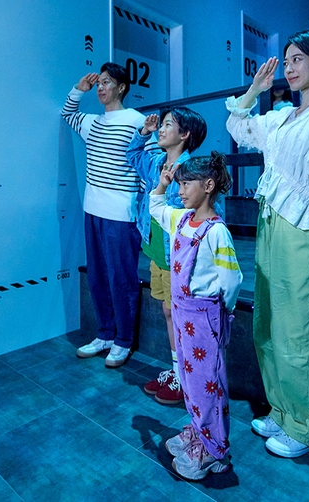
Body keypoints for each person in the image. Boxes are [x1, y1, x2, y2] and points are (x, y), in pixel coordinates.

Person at [225, 30, 309, 459]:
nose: (289, 67)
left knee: (302, 325)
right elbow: (238, 127)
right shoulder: (283, 116)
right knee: (270, 321)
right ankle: (283, 410)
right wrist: (255, 90)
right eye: (286, 60)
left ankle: (307, 426)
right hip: (271, 222)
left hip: (302, 228)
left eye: (298, 58)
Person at [150, 153, 242, 480]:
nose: (181, 190)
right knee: (190, 380)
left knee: (208, 384)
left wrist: (222, 314)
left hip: (205, 318)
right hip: (182, 314)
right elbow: (156, 207)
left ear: (208, 185)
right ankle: (198, 429)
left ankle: (214, 449)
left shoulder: (217, 232)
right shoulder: (181, 219)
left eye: (186, 184)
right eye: (179, 184)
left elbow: (231, 280)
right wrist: (161, 185)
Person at [62, 63, 156, 368]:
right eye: (99, 83)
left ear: (122, 87)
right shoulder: (93, 123)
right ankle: (104, 333)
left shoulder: (136, 121)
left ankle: (123, 340)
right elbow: (68, 113)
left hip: (121, 214)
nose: (101, 88)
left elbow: (147, 165)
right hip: (93, 211)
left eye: (107, 83)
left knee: (121, 278)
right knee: (98, 276)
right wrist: (79, 89)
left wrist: (142, 209)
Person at [127, 107, 208, 405]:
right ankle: (177, 370)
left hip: (178, 257)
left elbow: (205, 215)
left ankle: (187, 377)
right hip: (157, 254)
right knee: (168, 311)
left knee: (180, 315)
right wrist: (143, 133)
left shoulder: (192, 171)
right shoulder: (157, 163)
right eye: (161, 124)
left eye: (168, 125)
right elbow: (132, 156)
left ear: (185, 134)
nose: (160, 129)